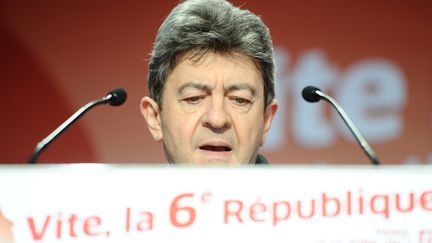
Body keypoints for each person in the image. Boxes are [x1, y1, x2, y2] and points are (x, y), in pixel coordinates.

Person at [140, 0, 278, 165]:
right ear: (155, 118)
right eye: (194, 98)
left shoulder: (299, 192)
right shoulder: (122, 192)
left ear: (266, 120)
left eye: (240, 100)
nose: (217, 119)